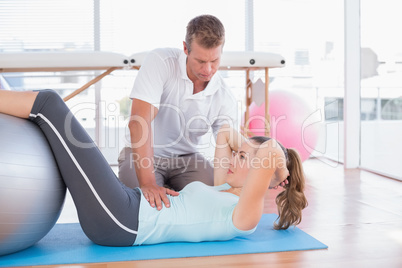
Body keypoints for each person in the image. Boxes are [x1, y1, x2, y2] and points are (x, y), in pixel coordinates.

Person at [0, 89, 307, 246]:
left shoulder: (246, 215)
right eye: (239, 154)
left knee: (50, 105)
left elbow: (266, 152)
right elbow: (227, 134)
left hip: (123, 221)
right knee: (51, 122)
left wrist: (277, 163)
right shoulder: (223, 186)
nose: (236, 158)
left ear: (267, 176)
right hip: (128, 203)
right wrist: (252, 149)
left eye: (245, 159)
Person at [118, 15, 238, 211]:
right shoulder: (161, 62)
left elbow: (232, 147)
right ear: (185, 48)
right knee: (144, 208)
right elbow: (139, 123)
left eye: (214, 61)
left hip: (188, 158)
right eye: (200, 61)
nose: (208, 69)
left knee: (217, 204)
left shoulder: (224, 96)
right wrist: (148, 184)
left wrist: (268, 174)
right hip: (144, 154)